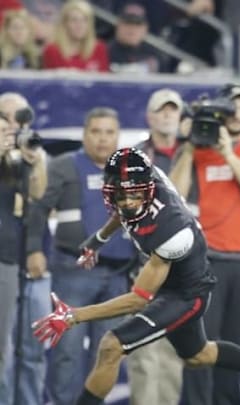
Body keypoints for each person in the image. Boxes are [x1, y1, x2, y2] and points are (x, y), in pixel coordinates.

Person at [30, 147, 240, 405]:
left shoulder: (173, 231)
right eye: (119, 195)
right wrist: (97, 240)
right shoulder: (137, 188)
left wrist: (74, 316)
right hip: (172, 285)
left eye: (134, 195)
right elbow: (123, 211)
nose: (127, 202)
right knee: (199, 356)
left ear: (149, 191)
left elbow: (138, 300)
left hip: (185, 295)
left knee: (111, 346)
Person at [169, 83, 240, 405]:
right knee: (198, 346)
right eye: (231, 106)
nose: (235, 114)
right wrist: (188, 148)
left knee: (235, 346)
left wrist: (228, 153)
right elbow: (174, 196)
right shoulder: (196, 150)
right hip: (204, 262)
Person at [24, 107, 135, 404]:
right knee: (67, 352)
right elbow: (38, 210)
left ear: (118, 136)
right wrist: (34, 249)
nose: (102, 139)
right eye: (95, 132)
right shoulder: (65, 165)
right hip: (73, 271)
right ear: (84, 135)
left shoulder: (129, 172)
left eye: (109, 132)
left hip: (119, 273)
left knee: (108, 351)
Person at [126, 88, 184, 405]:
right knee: (145, 354)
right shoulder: (135, 157)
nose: (167, 116)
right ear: (149, 117)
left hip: (184, 267)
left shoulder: (194, 153)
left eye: (173, 110)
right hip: (148, 263)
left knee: (174, 354)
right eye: (161, 110)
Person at [0, 107, 46, 404]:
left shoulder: (12, 167)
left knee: (2, 346)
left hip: (5, 259)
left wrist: (35, 162)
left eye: (7, 133)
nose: (6, 138)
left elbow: (38, 194)